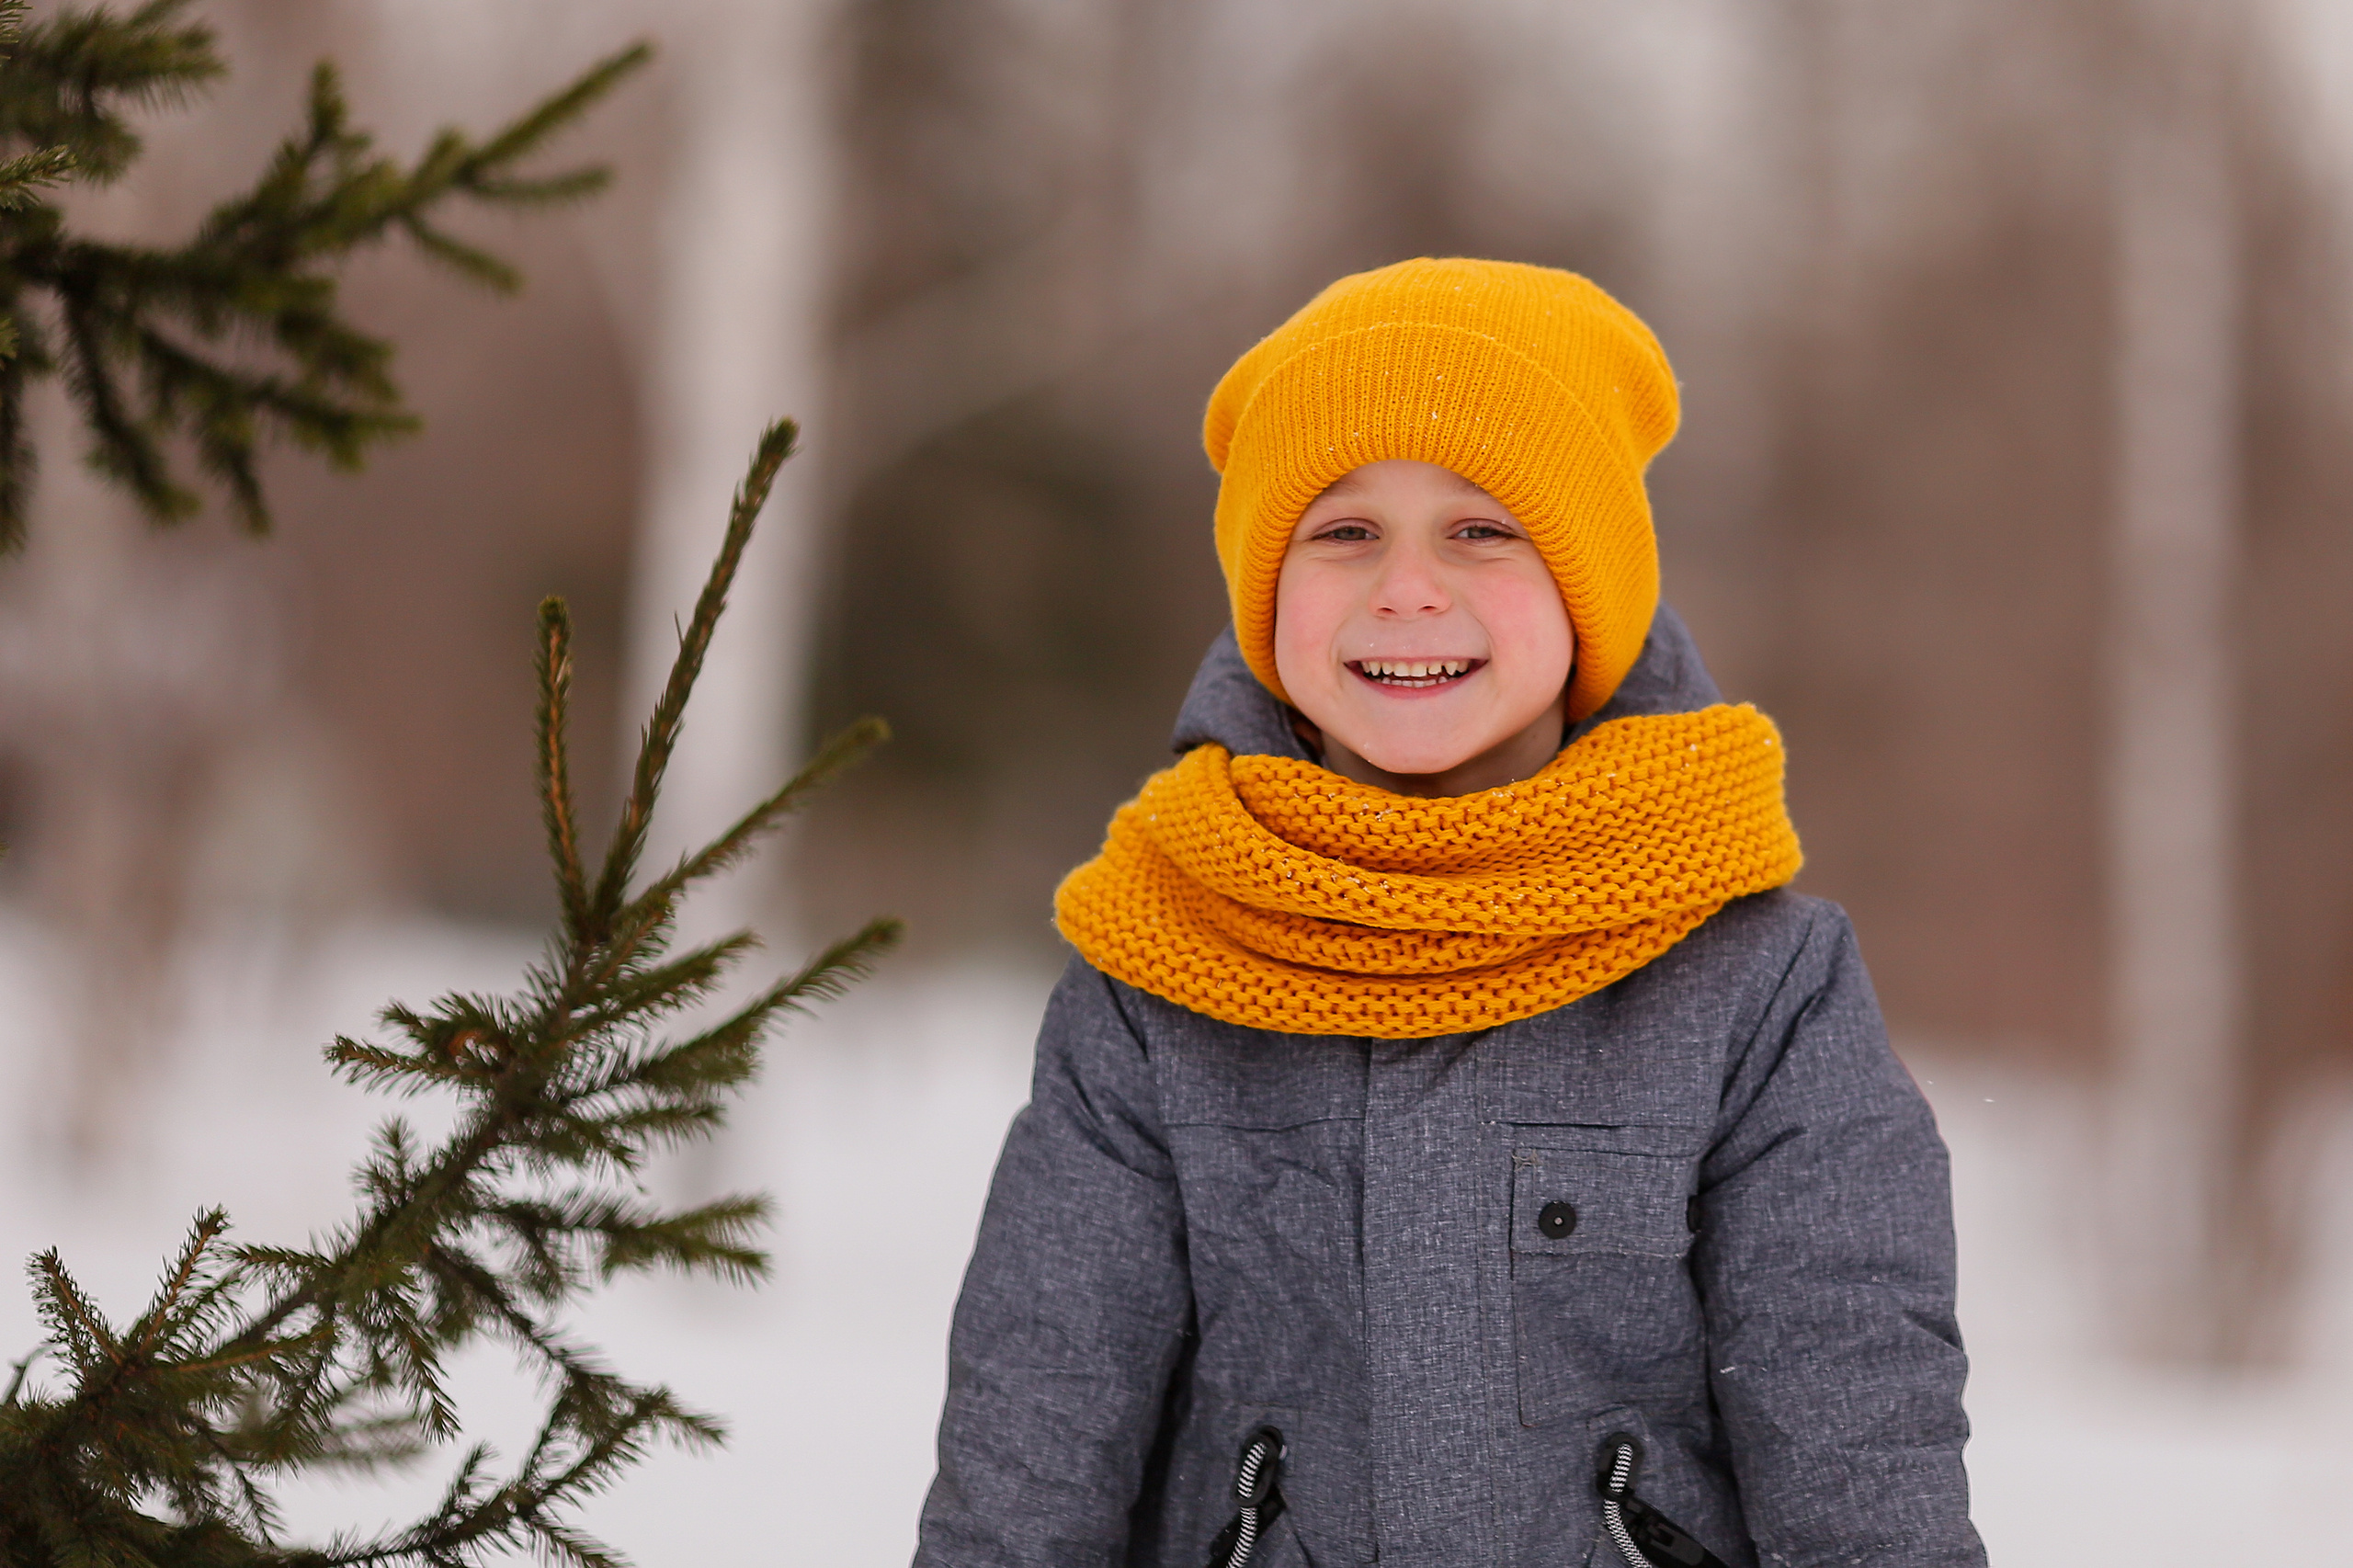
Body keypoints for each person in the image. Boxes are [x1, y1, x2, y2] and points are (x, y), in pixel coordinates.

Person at [912, 257, 1984, 1568]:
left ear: (1589, 586)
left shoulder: (1758, 982)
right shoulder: (1164, 967)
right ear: (1267, 595)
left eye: (1483, 528)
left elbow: (1859, 1423)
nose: (1408, 588)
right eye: (1343, 531)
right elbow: (1038, 1418)